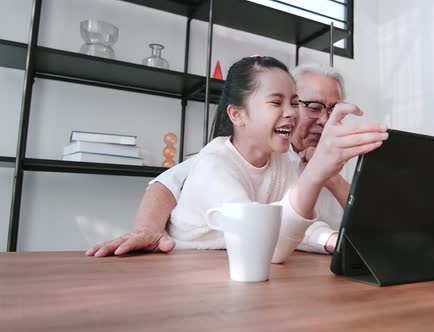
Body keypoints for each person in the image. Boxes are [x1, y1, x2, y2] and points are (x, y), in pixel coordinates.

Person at [86, 59, 386, 260]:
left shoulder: (311, 160)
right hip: (213, 266)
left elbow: (367, 224)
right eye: (313, 106)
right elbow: (167, 184)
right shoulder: (225, 158)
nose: (324, 119)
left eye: (333, 109)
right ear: (239, 114)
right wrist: (148, 230)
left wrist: (330, 177)